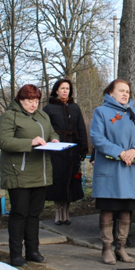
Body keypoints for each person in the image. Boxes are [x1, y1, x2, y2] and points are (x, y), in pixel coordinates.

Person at [0, 84, 60, 267]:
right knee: (19, 214)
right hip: (19, 173)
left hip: (40, 173)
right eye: (29, 101)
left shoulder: (42, 116)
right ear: (20, 100)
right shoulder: (10, 116)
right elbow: (4, 141)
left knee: (34, 214)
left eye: (36, 101)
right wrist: (30, 142)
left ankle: (33, 250)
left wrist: (54, 139)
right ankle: (16, 254)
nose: (33, 105)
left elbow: (51, 132)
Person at [91, 79, 135, 265]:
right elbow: (97, 138)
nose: (125, 94)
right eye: (121, 91)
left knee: (126, 210)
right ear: (111, 93)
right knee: (108, 208)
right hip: (110, 169)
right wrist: (120, 152)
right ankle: (106, 248)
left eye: (127, 91)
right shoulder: (101, 112)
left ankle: (121, 247)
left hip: (129, 169)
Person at [43, 78, 89, 226]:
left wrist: (83, 146)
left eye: (67, 89)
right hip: (56, 150)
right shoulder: (49, 108)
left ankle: (66, 213)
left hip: (72, 149)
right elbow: (45, 129)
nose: (65, 91)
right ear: (56, 90)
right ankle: (58, 212)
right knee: (58, 181)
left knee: (70, 181)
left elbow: (81, 127)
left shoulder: (74, 107)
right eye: (62, 88)